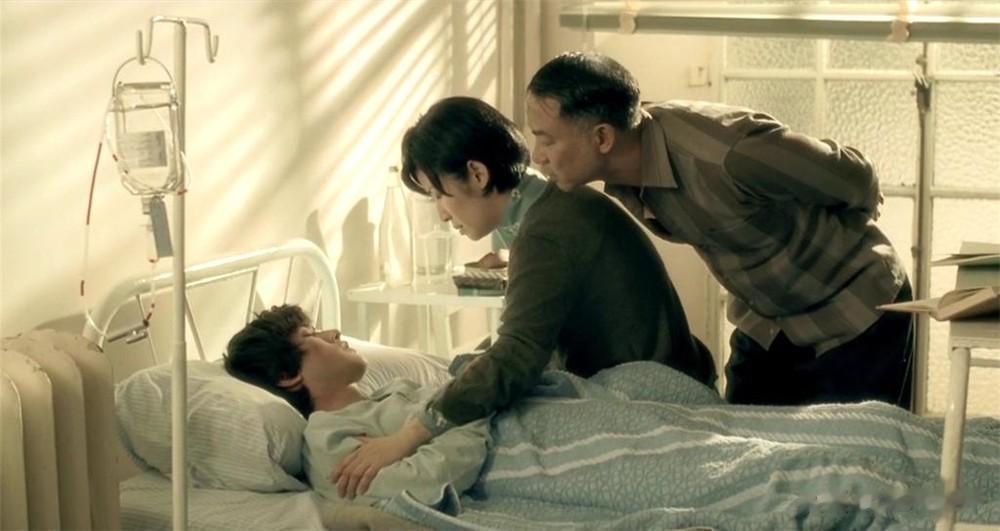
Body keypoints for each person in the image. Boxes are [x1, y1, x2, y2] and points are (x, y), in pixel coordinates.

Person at [331, 96, 718, 499]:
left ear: (477, 174)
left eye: (439, 194)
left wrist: (407, 437)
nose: (443, 214)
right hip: (675, 367)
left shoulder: (547, 230)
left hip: (649, 394)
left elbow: (517, 354)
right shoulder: (555, 204)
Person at [525, 51, 914, 410]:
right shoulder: (623, 165)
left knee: (858, 452)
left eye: (547, 140)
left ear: (602, 137)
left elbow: (853, 175)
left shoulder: (725, 152)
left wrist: (845, 232)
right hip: (768, 321)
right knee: (742, 441)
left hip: (853, 309)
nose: (537, 155)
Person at [223, 304, 488, 506]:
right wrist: (475, 405)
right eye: (310, 334)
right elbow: (429, 483)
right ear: (288, 375)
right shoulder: (328, 441)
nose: (334, 332)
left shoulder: (396, 390)